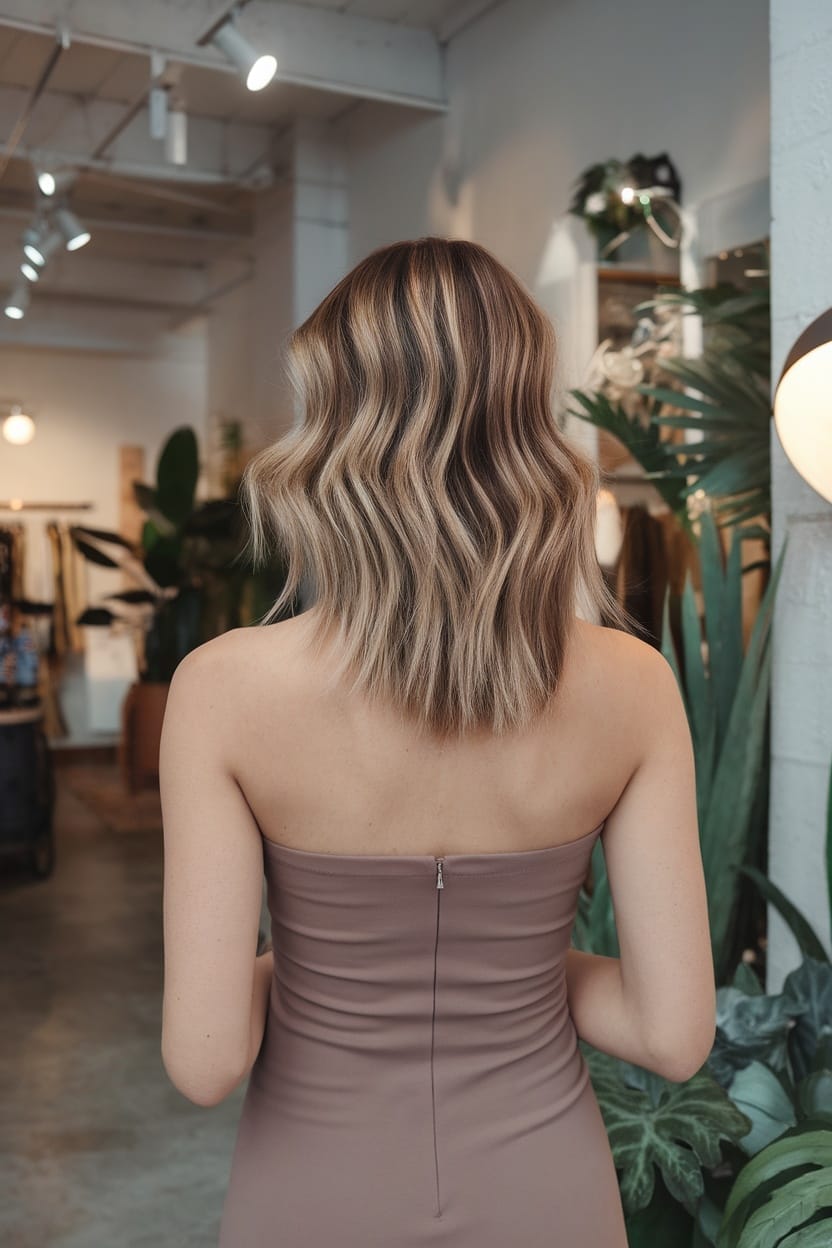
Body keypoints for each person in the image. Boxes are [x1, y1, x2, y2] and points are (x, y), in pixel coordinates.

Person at [159, 236, 716, 1246]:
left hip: (313, 1192)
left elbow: (204, 1061)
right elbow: (671, 1036)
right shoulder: (636, 686)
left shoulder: (222, 689)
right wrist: (496, 968)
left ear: (332, 427)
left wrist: (342, 972)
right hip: (548, 1190)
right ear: (523, 422)